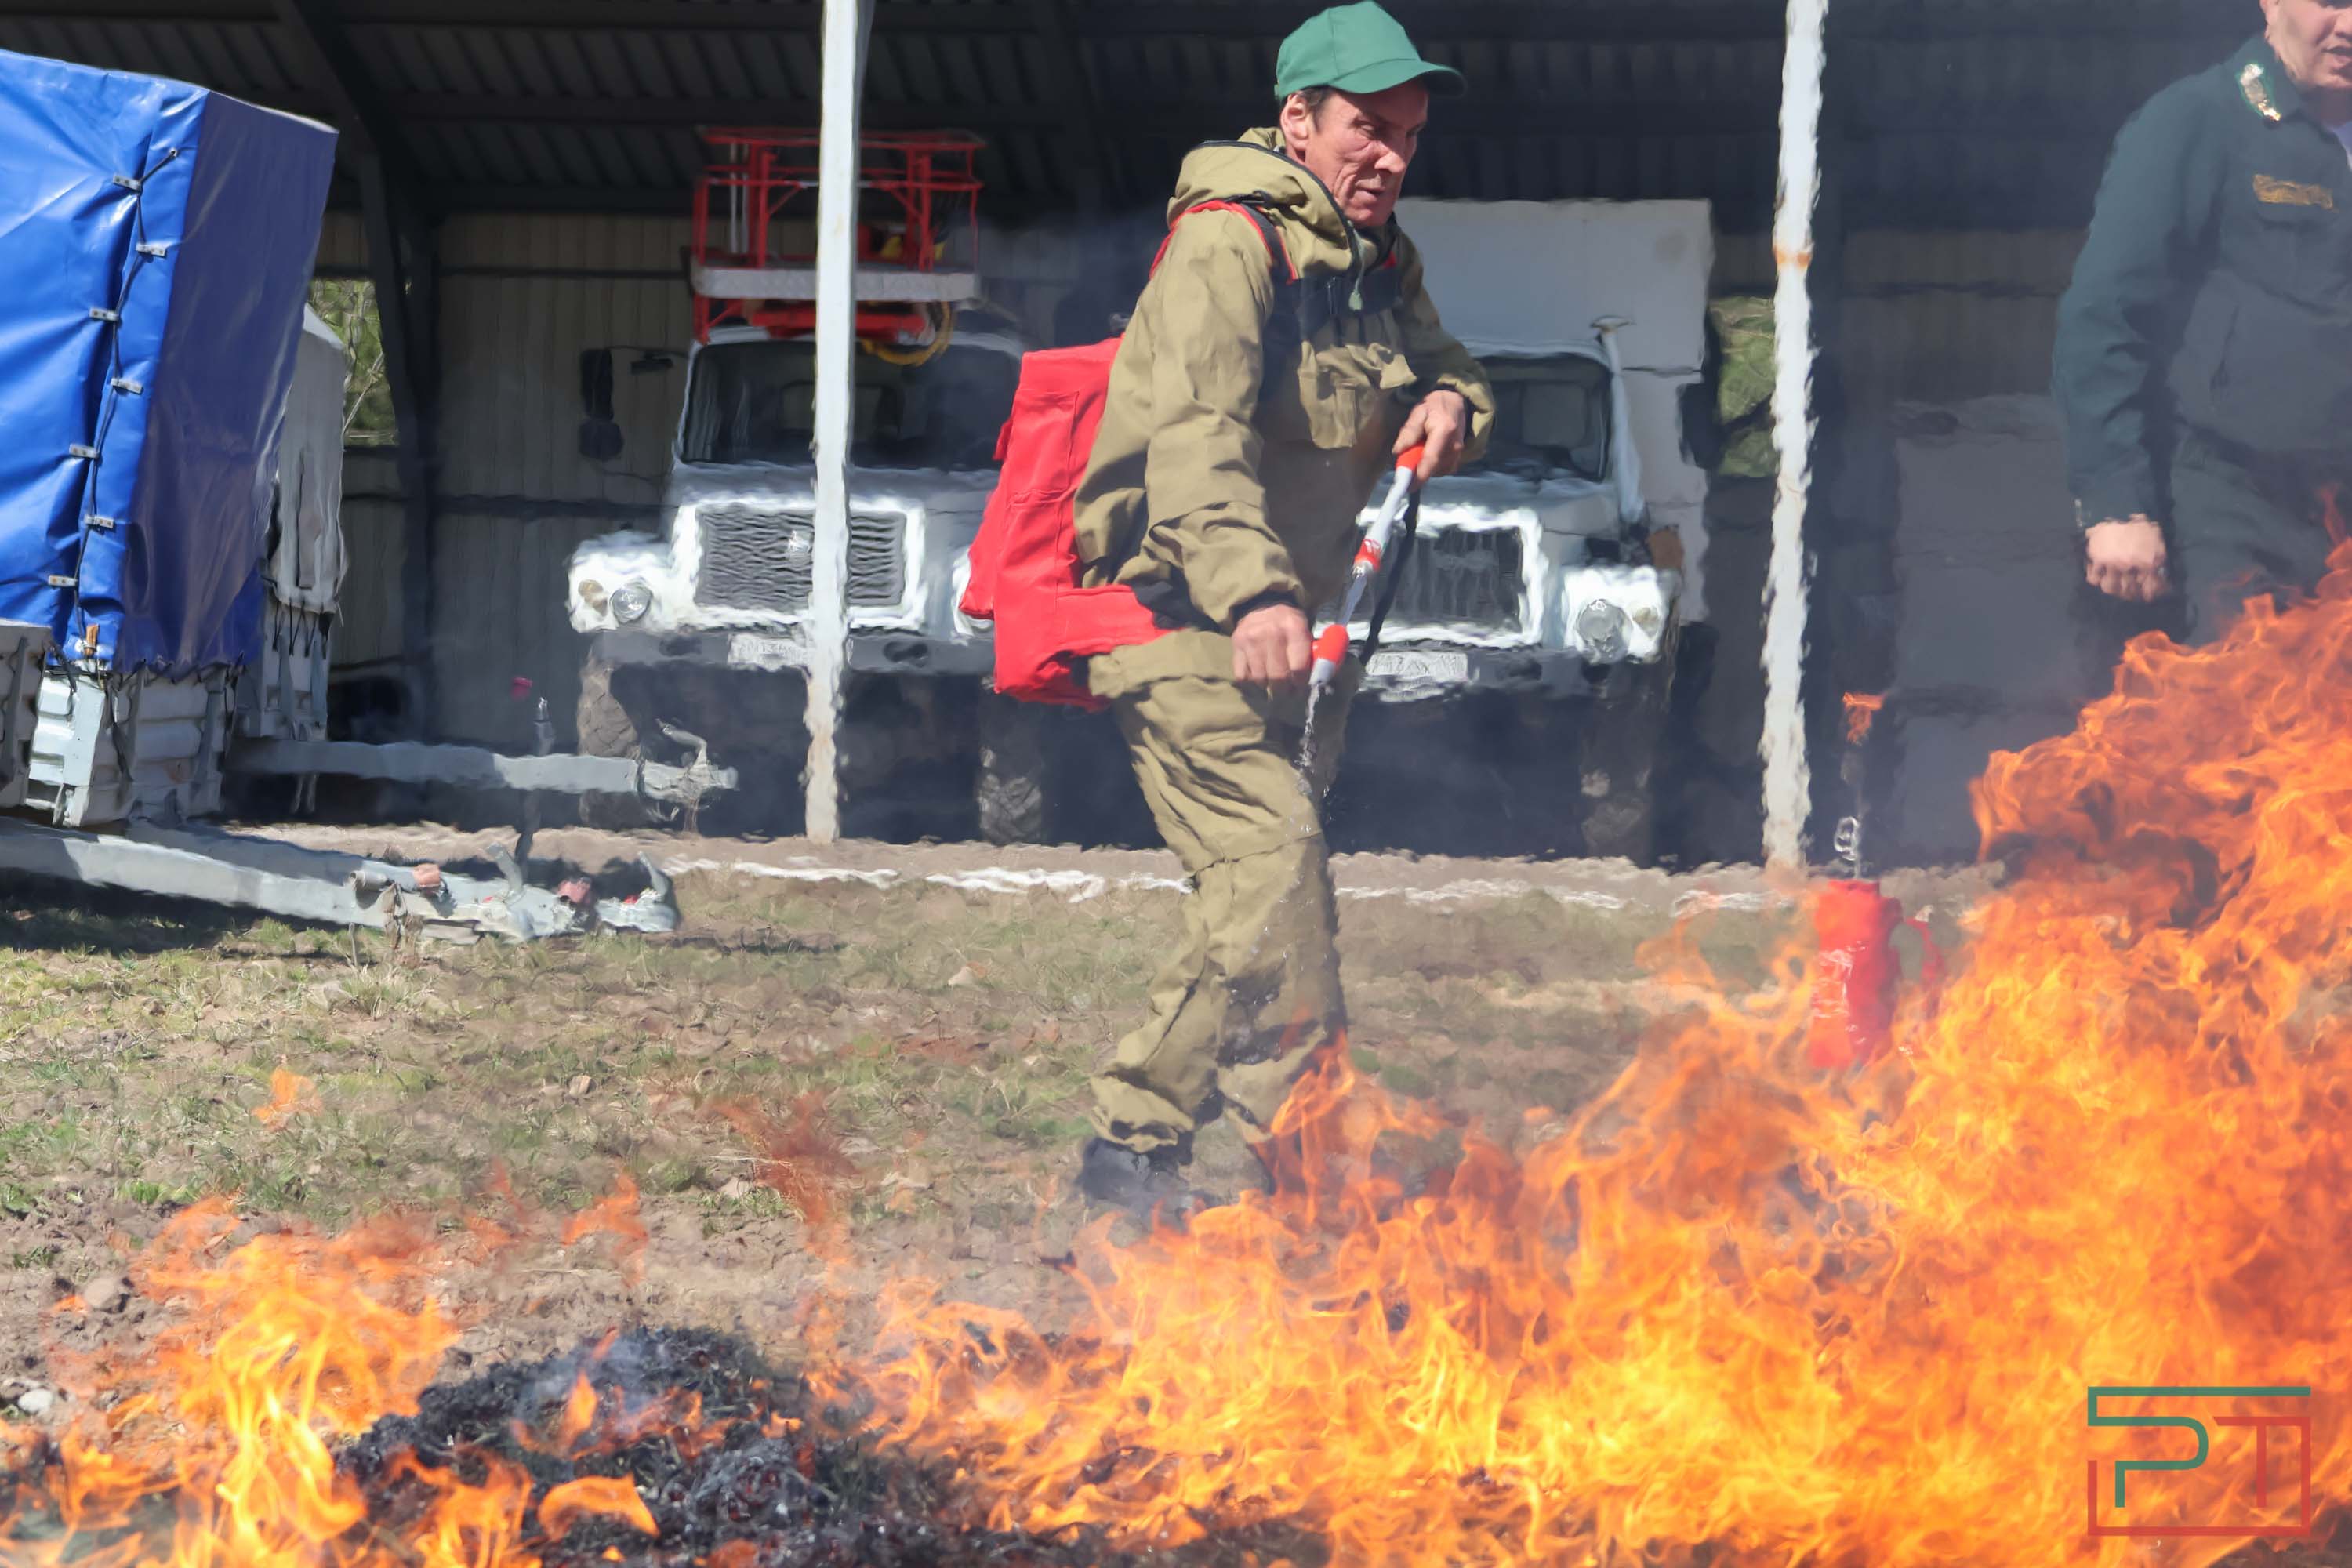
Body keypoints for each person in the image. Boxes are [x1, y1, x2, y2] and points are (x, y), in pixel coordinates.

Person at [1067, 1, 1494, 1218]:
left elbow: (1453, 367)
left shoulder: (1379, 262)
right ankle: (1308, 1189)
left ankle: (1126, 1164)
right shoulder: (1227, 246)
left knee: (1253, 906)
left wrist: (1453, 410)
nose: (1392, 158)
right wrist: (1252, 588)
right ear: (1298, 121)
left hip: (1299, 642)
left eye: (1409, 137)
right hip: (1189, 623)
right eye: (1369, 129)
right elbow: (1195, 440)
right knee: (1281, 871)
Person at [2054, 0, 2352, 643]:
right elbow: (2104, 315)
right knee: (2248, 731)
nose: (2350, 26)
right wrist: (2115, 502)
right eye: (2333, 1)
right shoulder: (2199, 120)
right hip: (2237, 515)